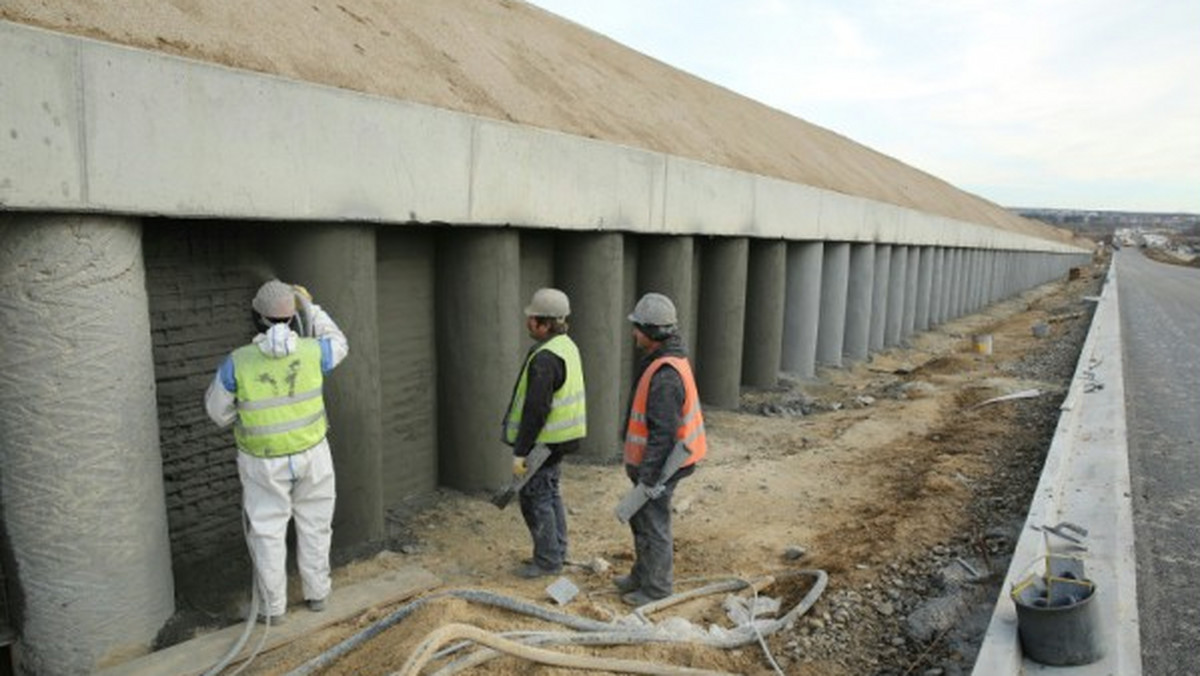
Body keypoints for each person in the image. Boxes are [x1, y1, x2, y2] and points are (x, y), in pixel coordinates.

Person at [204, 279, 349, 624]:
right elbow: (340, 342)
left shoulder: (237, 363)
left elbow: (217, 413)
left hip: (262, 461)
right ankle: (317, 595)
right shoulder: (315, 351)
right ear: (292, 317)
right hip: (313, 456)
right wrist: (308, 306)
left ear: (257, 318)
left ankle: (273, 610)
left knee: (267, 533)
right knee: (316, 526)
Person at [616, 292, 706, 606]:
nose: (633, 333)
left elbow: (663, 435)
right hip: (661, 461)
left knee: (653, 522)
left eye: (638, 328)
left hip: (665, 463)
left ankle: (656, 589)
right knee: (641, 518)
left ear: (652, 333)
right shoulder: (663, 360)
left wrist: (649, 479)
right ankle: (641, 576)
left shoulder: (666, 375)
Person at [500, 288, 587, 579]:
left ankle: (548, 560)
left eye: (533, 319)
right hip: (561, 440)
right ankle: (557, 551)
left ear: (545, 323)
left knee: (536, 498)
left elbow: (536, 410)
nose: (528, 323)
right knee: (549, 494)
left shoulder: (546, 358)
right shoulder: (567, 346)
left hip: (544, 443)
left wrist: (521, 452)